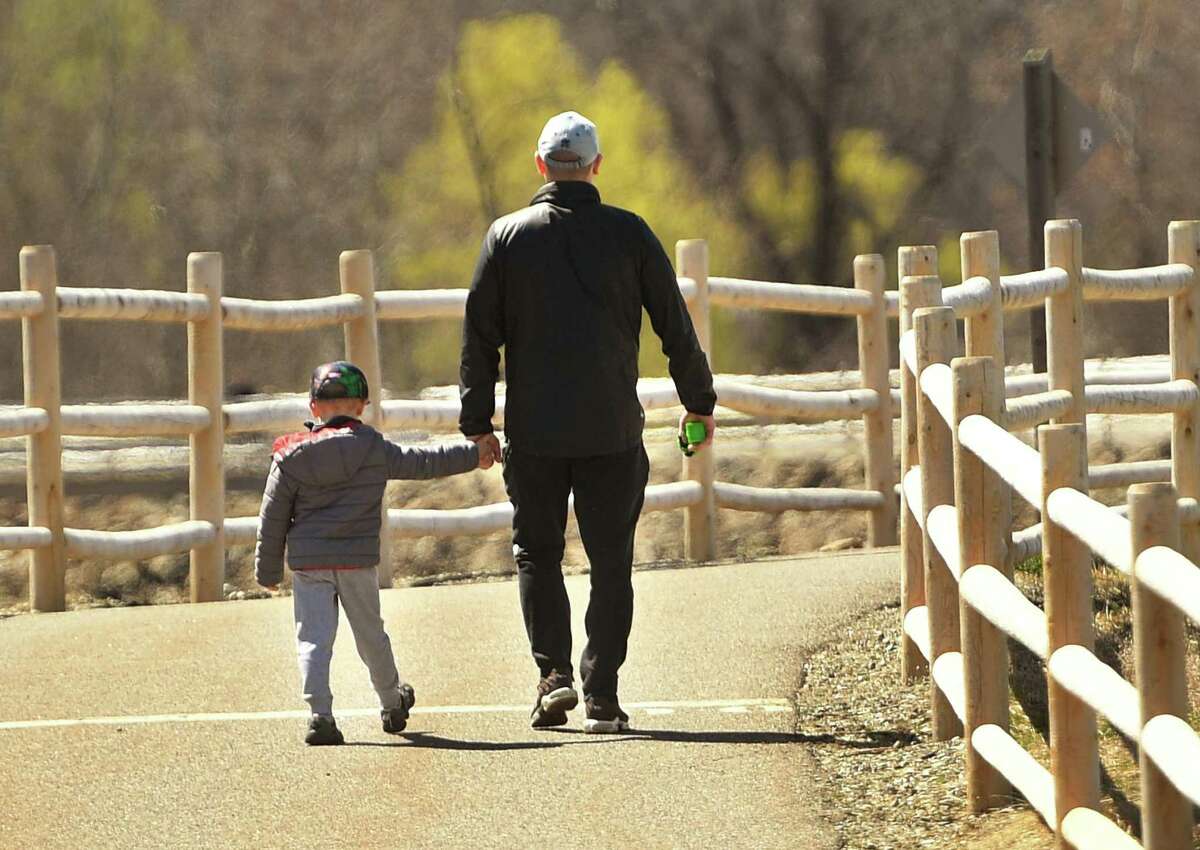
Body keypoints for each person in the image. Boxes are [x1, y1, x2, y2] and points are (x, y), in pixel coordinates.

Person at [459, 111, 717, 733]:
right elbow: (673, 325)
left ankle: (553, 676)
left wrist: (477, 422)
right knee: (611, 561)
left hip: (535, 432)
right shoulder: (629, 234)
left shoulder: (507, 237)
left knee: (537, 555)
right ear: (596, 166)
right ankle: (602, 693)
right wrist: (698, 401)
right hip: (610, 430)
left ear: (539, 164)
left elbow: (479, 337)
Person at [255, 360, 489, 745]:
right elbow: (424, 462)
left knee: (313, 638)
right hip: (357, 562)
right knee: (370, 635)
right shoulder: (374, 448)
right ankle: (391, 701)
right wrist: (472, 454)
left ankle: (320, 715)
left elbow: (272, 517)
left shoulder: (290, 457)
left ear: (313, 406)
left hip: (309, 564)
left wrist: (267, 572)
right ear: (362, 405)